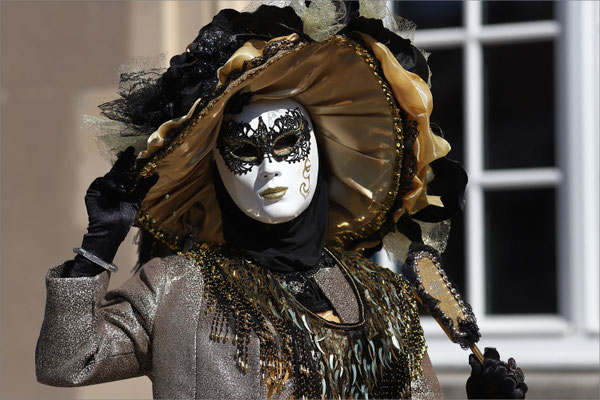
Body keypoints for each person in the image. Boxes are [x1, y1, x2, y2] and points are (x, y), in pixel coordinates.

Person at [35, 2, 527, 399]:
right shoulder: (174, 289)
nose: (270, 167)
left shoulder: (384, 297)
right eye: (245, 152)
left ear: (323, 151)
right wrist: (97, 248)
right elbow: (68, 361)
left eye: (288, 144)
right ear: (218, 172)